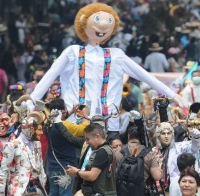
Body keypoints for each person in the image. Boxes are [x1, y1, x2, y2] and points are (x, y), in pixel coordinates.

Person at [29, 3, 181, 132]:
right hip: (75, 123)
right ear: (83, 22)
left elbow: (144, 75)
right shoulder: (72, 53)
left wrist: (172, 95)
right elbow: (48, 77)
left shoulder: (116, 55)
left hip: (108, 125)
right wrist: (29, 104)